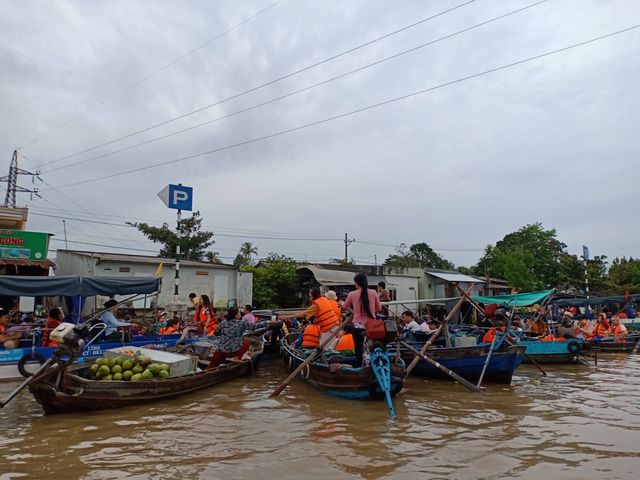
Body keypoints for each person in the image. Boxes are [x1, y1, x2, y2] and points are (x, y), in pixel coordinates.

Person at [341, 273, 382, 367]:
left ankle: (359, 369)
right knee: (369, 348)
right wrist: (371, 310)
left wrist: (341, 303)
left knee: (358, 349)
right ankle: (371, 367)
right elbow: (379, 308)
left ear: (356, 283)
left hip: (358, 326)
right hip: (372, 326)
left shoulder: (352, 294)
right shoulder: (373, 292)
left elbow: (344, 307)